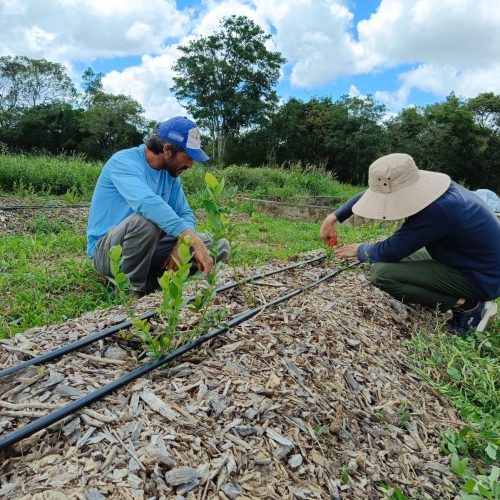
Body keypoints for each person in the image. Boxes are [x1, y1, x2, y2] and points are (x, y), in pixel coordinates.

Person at [320, 153, 500, 336]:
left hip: (481, 276)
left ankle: (469, 305)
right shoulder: (433, 190)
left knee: (382, 274)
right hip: (462, 255)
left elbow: (389, 251)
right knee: (396, 259)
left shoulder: (438, 210)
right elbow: (376, 192)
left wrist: (359, 250)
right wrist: (333, 217)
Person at [87, 116, 230, 296]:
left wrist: (183, 242)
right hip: (108, 253)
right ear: (168, 150)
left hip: (148, 248)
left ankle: (153, 285)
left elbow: (184, 212)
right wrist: (191, 238)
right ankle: (130, 293)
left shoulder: (170, 175)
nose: (190, 165)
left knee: (219, 245)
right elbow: (146, 203)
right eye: (187, 157)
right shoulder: (124, 162)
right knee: (147, 221)